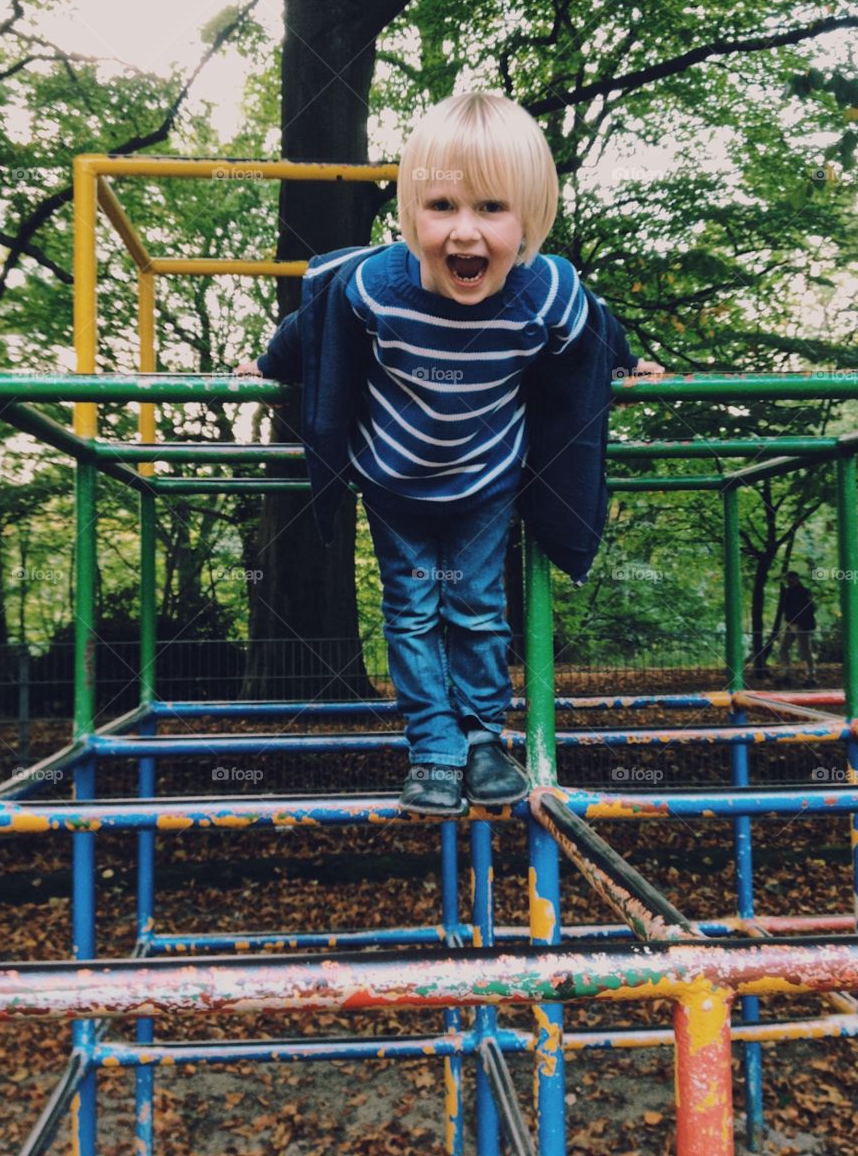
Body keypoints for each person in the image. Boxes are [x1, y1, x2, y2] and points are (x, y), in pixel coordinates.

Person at [236, 91, 663, 814]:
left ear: (529, 218)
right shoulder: (374, 285)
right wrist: (267, 365)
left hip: (486, 480)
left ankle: (482, 739)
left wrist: (627, 365)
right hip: (393, 480)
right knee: (409, 611)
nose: (465, 233)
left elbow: (596, 330)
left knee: (476, 609)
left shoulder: (546, 292)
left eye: (492, 208)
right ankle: (432, 746)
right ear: (409, 216)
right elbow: (313, 326)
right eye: (442, 207)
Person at [776, 570, 818, 687]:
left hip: (801, 625)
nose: (790, 581)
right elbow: (785, 607)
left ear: (796, 579)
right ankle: (786, 673)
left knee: (805, 650)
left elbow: (810, 609)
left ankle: (811, 676)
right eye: (788, 579)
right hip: (790, 623)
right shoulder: (787, 592)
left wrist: (801, 622)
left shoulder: (804, 592)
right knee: (783, 648)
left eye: (792, 579)